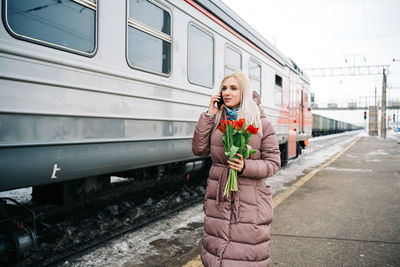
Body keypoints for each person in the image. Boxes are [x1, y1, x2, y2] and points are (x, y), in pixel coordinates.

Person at [192, 72, 281, 267]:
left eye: (233, 88)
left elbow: (274, 163)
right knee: (216, 253)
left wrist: (245, 166)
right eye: (224, 88)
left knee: (243, 256)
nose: (226, 93)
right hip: (219, 199)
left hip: (249, 202)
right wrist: (209, 115)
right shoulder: (216, 120)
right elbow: (199, 150)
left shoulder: (261, 122)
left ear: (244, 92)